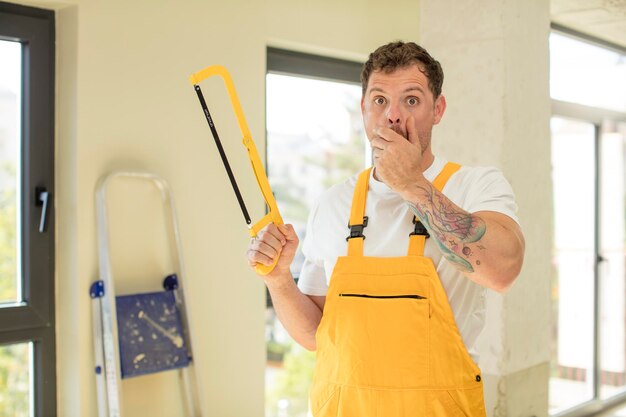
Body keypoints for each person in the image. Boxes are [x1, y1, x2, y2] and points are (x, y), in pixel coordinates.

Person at [247, 41, 525, 417]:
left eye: (411, 100)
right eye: (379, 100)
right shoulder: (332, 204)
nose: (392, 115)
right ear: (363, 109)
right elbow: (316, 335)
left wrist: (412, 185)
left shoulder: (475, 186)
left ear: (437, 109)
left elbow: (504, 270)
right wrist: (279, 280)